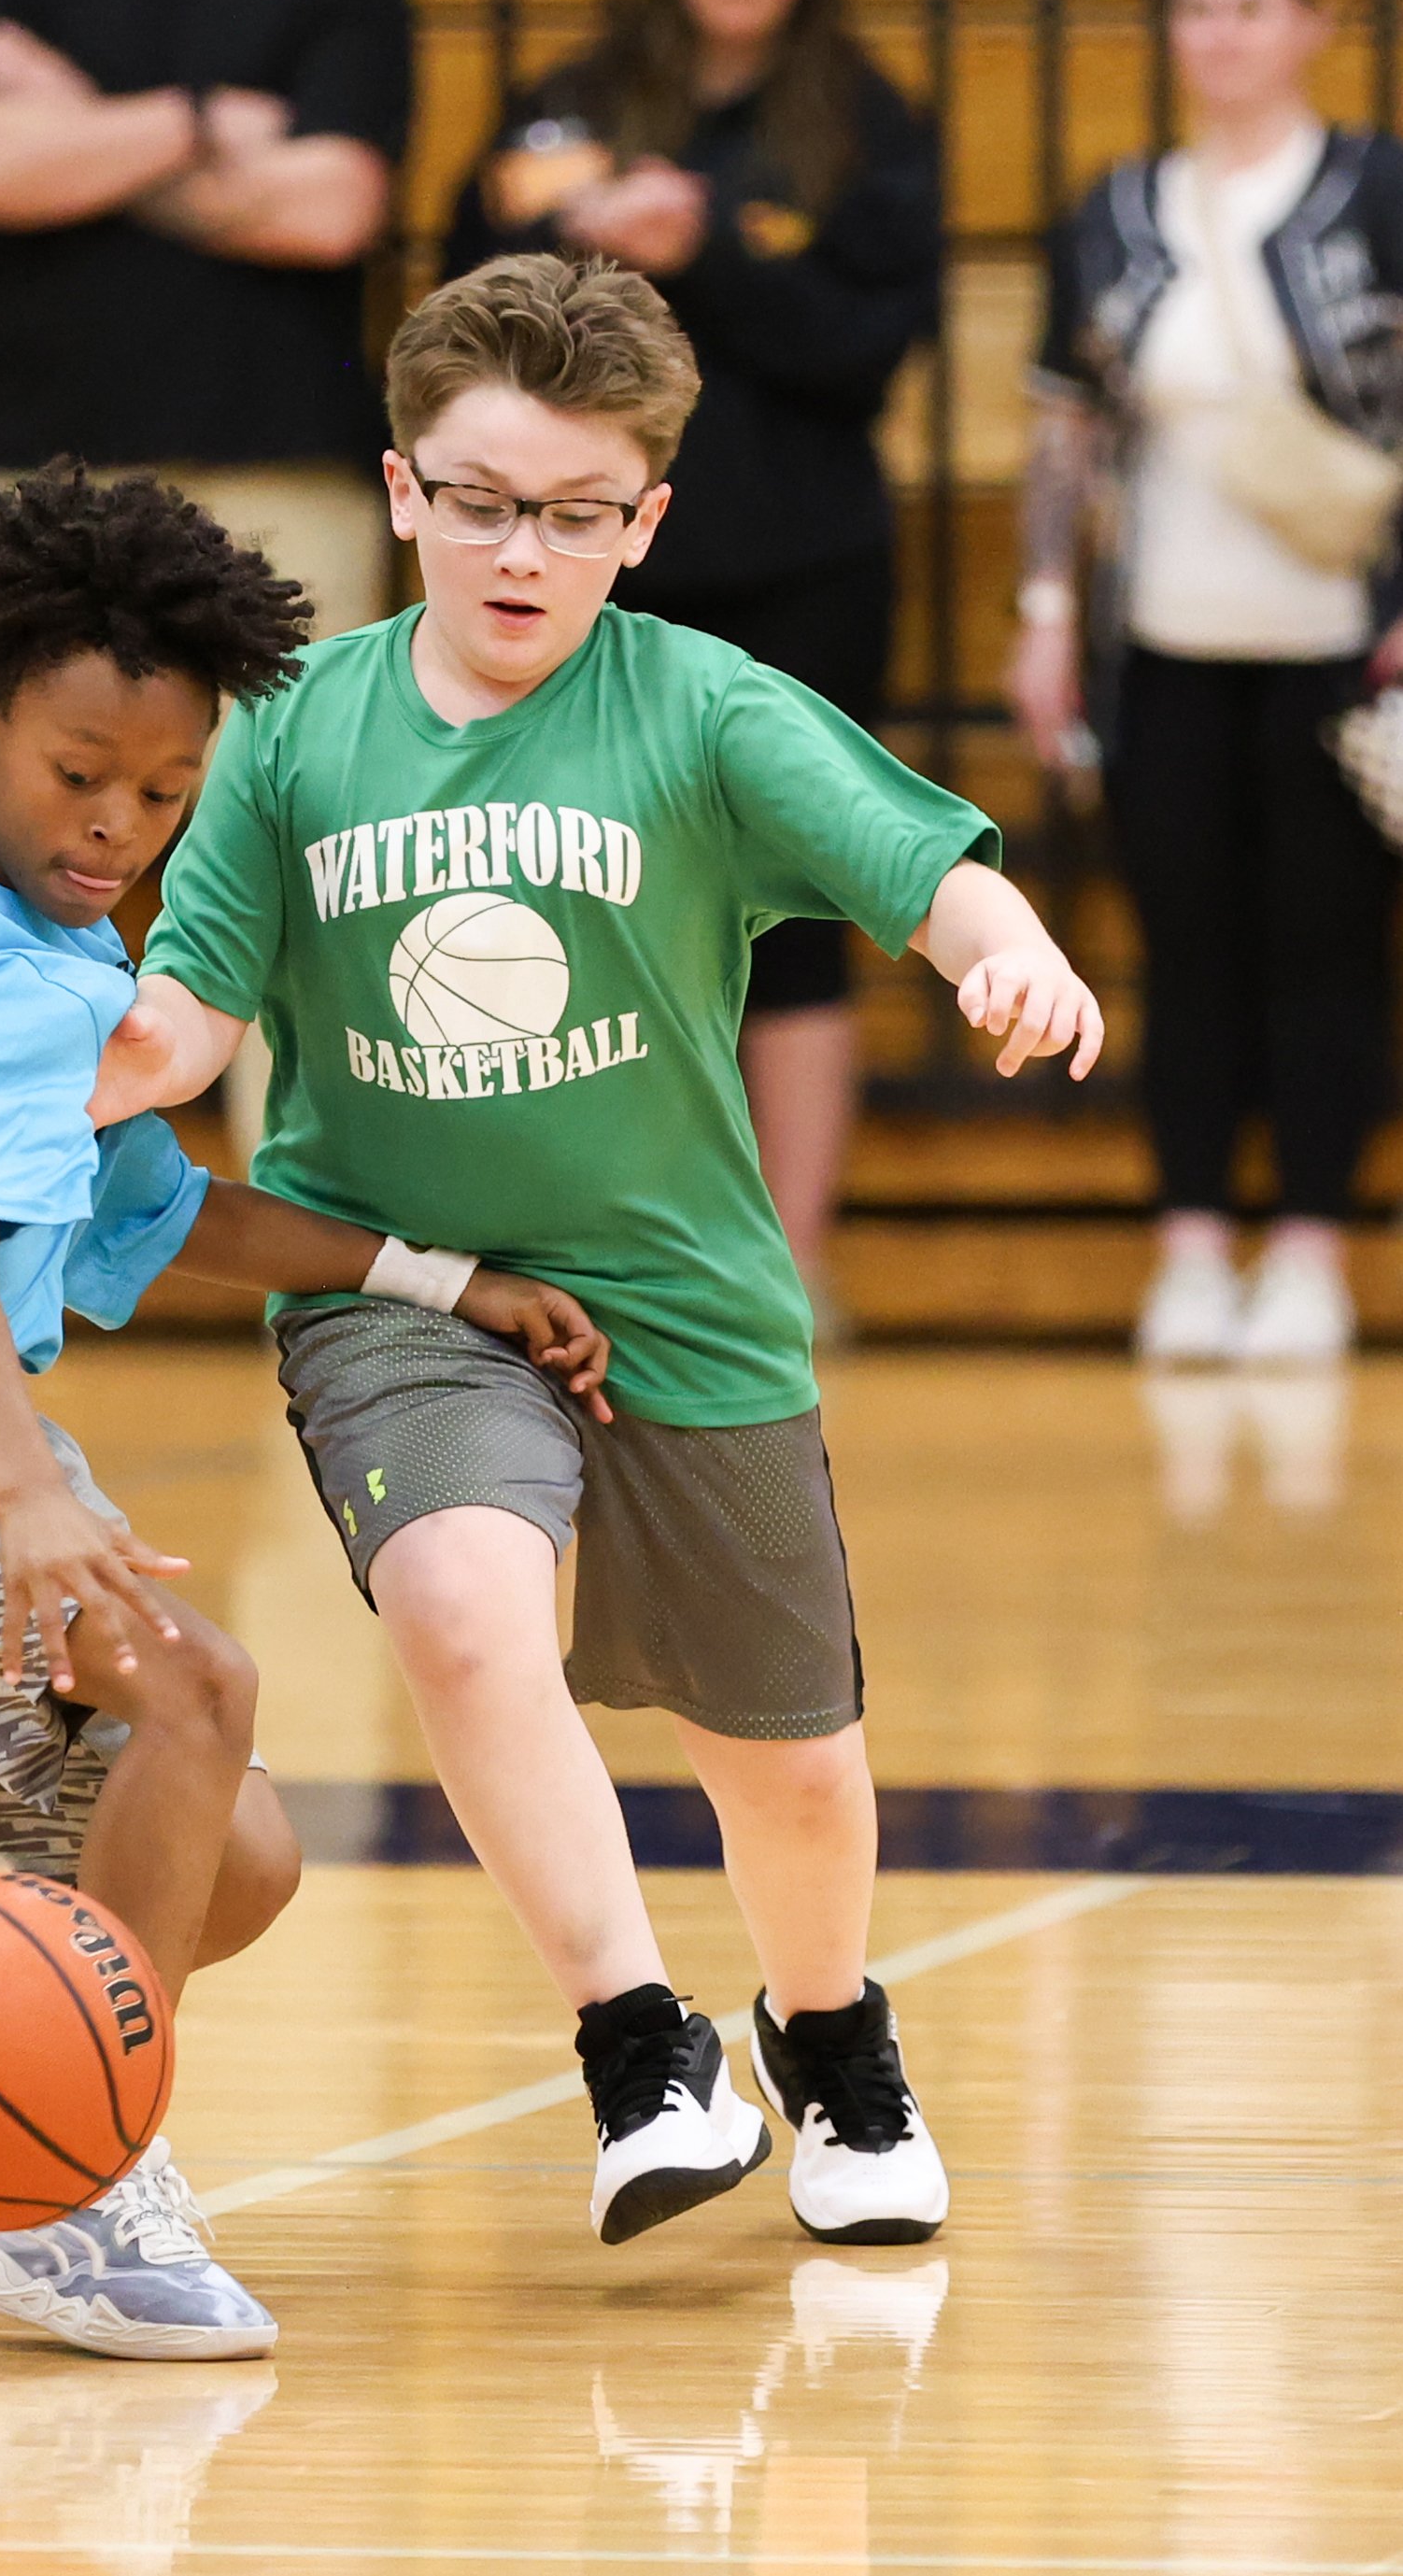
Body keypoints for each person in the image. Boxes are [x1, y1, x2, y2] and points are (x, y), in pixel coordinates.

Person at [98, 254, 1103, 2251]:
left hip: (683, 1299)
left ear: (643, 523)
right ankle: (638, 2043)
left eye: (571, 512)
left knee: (791, 1769)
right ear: (401, 491)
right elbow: (191, 1008)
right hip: (403, 1286)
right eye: (478, 498)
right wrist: (69, 1082)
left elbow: (928, 870)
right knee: (465, 1609)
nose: (517, 548)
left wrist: (1016, 957)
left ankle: (824, 2034)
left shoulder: (705, 709)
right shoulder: (296, 735)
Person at [0, 465, 612, 2359]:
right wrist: (28, 1492)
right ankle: (68, 2197)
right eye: (76, 772)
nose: (116, 822)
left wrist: (438, 1280)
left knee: (233, 1852)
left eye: (162, 792)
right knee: (197, 1693)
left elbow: (164, 1201)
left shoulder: (50, 957)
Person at [443, 0, 942, 1330]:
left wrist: (708, 252)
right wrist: (584, 258)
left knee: (794, 915)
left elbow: (866, 349)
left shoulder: (864, 121)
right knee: (566, 890)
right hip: (576, 566)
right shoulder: (563, 105)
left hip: (798, 567)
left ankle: (783, 1269)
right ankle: (573, 1247)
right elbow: (462, 307)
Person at [1012, 0, 1403, 1365]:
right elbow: (1063, 428)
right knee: (1177, 956)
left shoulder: (1376, 190)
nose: (1217, 34)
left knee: (1326, 953)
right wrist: (1044, 612)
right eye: (1194, 9)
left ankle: (1306, 1250)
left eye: (1249, 7)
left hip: (1341, 656)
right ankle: (1185, 1244)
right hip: (1159, 652)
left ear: (1315, 27)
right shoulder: (1114, 209)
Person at [0, 0, 412, 846]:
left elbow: (329, 211)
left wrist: (82, 124)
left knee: (299, 862)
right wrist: (201, 124)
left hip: (280, 480)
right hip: (18, 480)